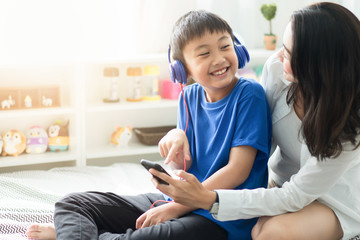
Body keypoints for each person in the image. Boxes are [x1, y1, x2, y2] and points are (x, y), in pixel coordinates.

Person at [26, 10, 272, 240]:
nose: (219, 58)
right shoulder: (188, 96)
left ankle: (72, 234)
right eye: (204, 53)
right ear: (181, 69)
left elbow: (238, 170)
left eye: (225, 46)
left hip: (222, 217)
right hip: (177, 203)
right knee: (72, 204)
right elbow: (180, 167)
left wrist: (176, 208)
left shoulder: (250, 93)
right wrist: (175, 148)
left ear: (237, 49)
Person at [150, 2, 360, 240]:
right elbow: (257, 131)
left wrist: (209, 199)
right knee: (255, 229)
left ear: (318, 65)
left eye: (289, 53)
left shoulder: (349, 128)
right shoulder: (277, 71)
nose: (280, 56)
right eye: (283, 47)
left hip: (331, 199)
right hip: (280, 184)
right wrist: (179, 135)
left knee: (272, 233)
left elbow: (296, 194)